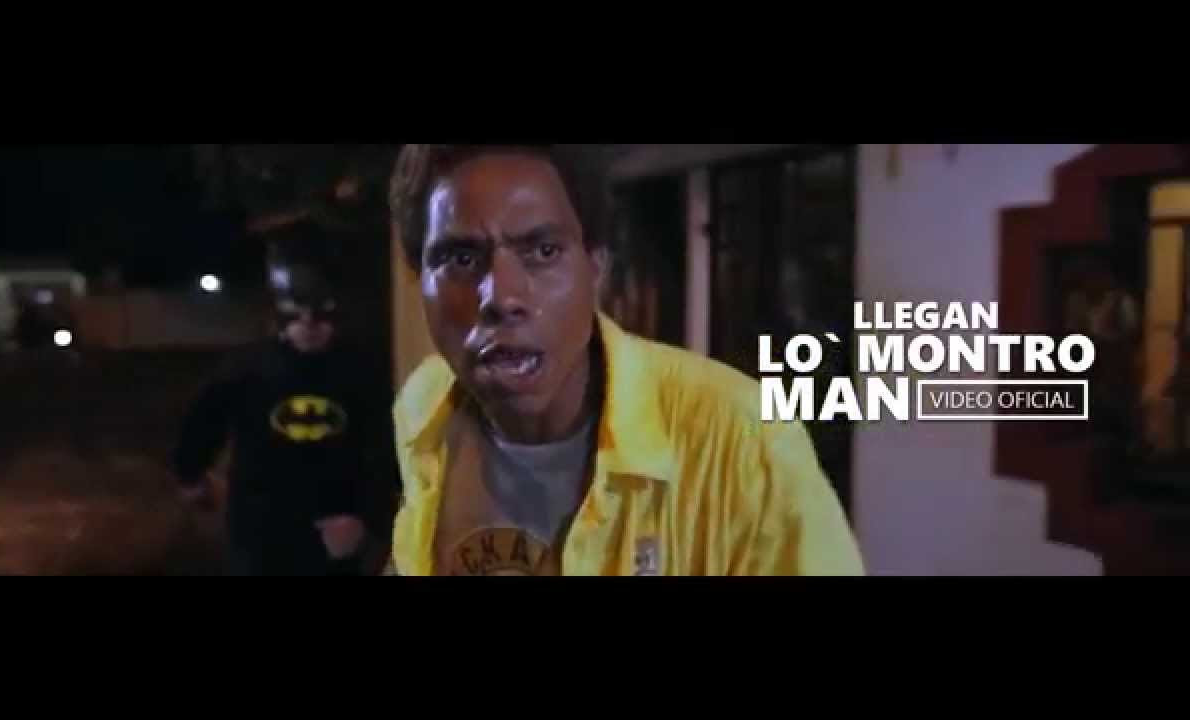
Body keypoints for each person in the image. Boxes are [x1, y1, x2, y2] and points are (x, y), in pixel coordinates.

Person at [386, 144, 865, 576]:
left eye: (543, 251)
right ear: (418, 280)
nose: (501, 296)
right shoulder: (426, 407)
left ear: (596, 268)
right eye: (461, 259)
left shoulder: (744, 442)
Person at [173, 221, 397, 576]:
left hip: (333, 540)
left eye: (321, 312)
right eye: (297, 310)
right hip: (259, 539)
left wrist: (365, 521)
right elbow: (202, 422)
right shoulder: (246, 369)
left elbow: (387, 453)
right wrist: (191, 476)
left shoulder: (361, 373)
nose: (308, 324)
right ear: (279, 310)